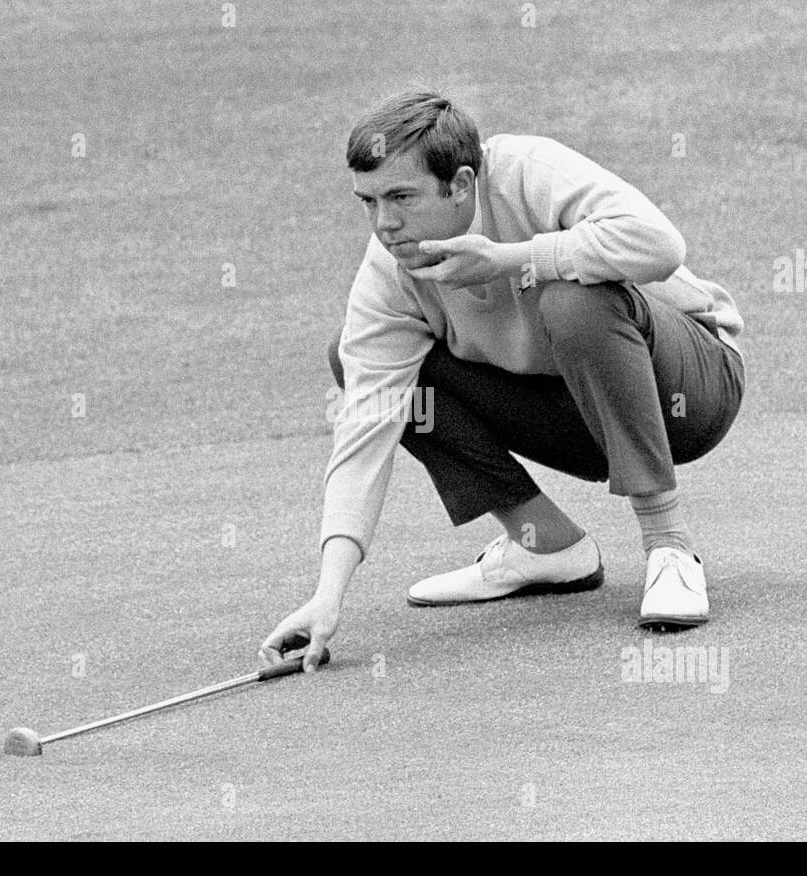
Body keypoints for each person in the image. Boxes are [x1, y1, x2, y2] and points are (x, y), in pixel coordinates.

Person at [259, 91, 744, 672]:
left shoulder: (527, 171)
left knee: (574, 303)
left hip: (687, 395)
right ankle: (546, 545)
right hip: (575, 418)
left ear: (461, 183)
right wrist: (327, 598)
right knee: (366, 366)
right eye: (368, 201)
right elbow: (365, 430)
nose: (384, 224)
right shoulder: (389, 275)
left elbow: (660, 245)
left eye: (401, 197)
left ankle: (669, 546)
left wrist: (511, 259)